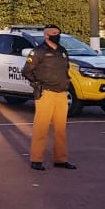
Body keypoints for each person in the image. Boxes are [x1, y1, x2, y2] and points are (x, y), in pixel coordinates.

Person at [22, 25, 76, 171]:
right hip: (46, 93)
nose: (57, 35)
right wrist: (37, 84)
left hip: (62, 94)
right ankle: (36, 159)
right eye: (54, 33)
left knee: (60, 129)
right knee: (41, 127)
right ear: (46, 35)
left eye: (58, 33)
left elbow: (66, 69)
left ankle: (61, 159)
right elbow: (26, 71)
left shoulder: (62, 51)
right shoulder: (38, 51)